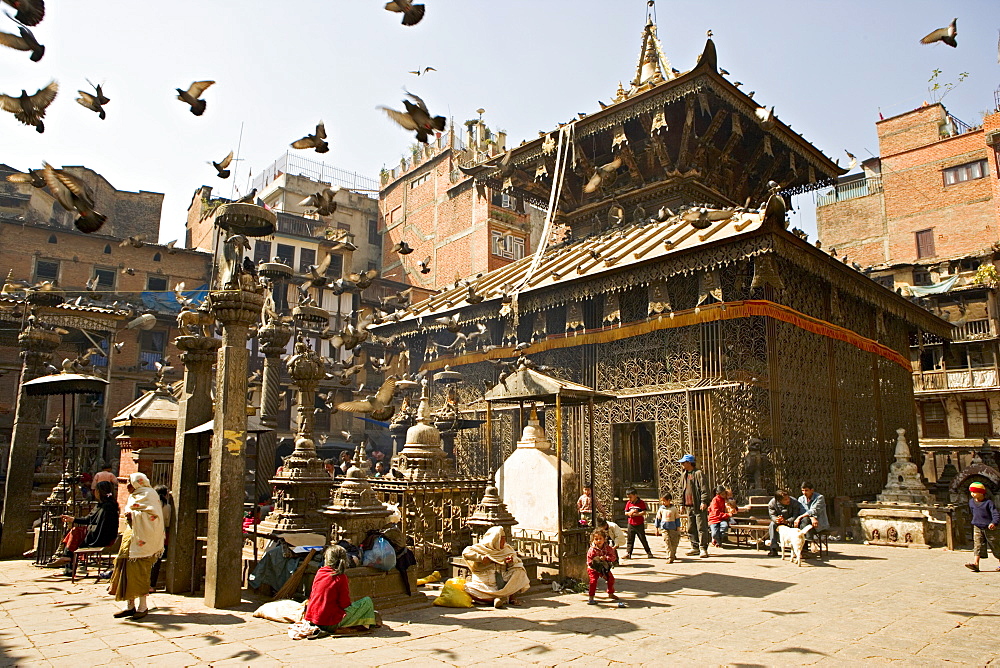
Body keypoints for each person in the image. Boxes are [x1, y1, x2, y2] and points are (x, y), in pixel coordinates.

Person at [108, 473, 164, 620]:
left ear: (138, 482)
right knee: (125, 569)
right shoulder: (134, 495)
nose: (127, 485)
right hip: (130, 536)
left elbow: (154, 516)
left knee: (140, 573)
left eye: (129, 482)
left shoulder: (149, 494)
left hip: (143, 539)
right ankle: (129, 605)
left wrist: (134, 515)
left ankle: (143, 606)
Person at [304, 545, 379, 635]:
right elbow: (345, 604)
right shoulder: (341, 577)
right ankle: (365, 625)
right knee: (367, 601)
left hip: (313, 619)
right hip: (329, 623)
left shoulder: (320, 572)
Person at [52, 480, 119, 573]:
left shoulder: (108, 507)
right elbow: (89, 519)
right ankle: (68, 562)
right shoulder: (100, 505)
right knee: (73, 532)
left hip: (101, 536)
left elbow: (103, 528)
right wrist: (72, 519)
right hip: (94, 532)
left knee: (75, 532)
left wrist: (89, 530)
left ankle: (67, 558)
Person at [461, 526, 530, 608]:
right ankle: (496, 599)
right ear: (494, 539)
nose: (504, 541)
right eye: (501, 539)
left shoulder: (506, 548)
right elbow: (465, 553)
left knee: (519, 570)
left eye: (504, 538)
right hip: (484, 583)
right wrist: (480, 558)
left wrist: (510, 562)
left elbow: (515, 559)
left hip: (501, 579)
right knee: (467, 589)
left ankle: (509, 596)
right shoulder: (480, 548)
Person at [679, 454, 710, 558]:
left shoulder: (698, 473)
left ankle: (703, 548)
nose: (682, 464)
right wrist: (681, 503)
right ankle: (694, 546)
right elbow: (681, 490)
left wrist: (704, 501)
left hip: (698, 504)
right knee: (691, 527)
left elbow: (704, 488)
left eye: (684, 462)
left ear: (689, 463)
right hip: (688, 505)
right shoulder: (684, 475)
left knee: (701, 526)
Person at [966, 482, 1000, 573]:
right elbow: (973, 513)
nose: (972, 494)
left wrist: (994, 523)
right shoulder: (971, 502)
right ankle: (976, 564)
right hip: (977, 526)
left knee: (995, 545)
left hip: (989, 528)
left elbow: (995, 514)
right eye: (971, 492)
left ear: (981, 493)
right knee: (978, 545)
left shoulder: (988, 503)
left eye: (975, 492)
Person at [148, 485, 173, 592]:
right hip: (160, 534)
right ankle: (151, 585)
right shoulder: (166, 507)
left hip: (148, 533)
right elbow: (167, 522)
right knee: (156, 560)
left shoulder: (149, 505)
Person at [767, 489, 804, 557]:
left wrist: (787, 521)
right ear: (779, 500)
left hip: (791, 522)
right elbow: (772, 515)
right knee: (772, 525)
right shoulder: (772, 503)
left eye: (788, 498)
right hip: (780, 522)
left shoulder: (794, 502)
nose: (788, 500)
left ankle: (802, 549)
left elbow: (796, 515)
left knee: (801, 523)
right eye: (785, 499)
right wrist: (777, 519)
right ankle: (773, 548)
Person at [586, 529, 619, 605]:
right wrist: (596, 560)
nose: (598, 541)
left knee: (611, 579)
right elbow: (589, 561)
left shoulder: (607, 548)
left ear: (604, 539)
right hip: (593, 569)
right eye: (596, 539)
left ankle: (611, 593)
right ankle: (591, 597)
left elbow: (613, 557)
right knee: (593, 581)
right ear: (593, 540)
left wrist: (606, 558)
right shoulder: (592, 550)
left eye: (600, 539)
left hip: (604, 568)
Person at [623, 488, 654, 559]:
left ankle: (648, 552)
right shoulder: (628, 503)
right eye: (628, 497)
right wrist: (629, 513)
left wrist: (637, 514)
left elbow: (644, 512)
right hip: (631, 523)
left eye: (631, 497)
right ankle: (628, 553)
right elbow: (625, 512)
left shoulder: (641, 502)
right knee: (630, 539)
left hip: (639, 523)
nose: (630, 499)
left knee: (642, 538)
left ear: (635, 495)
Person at [655, 492, 681, 563]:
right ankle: (670, 556)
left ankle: (673, 554)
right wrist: (657, 528)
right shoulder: (661, 509)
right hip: (664, 528)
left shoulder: (674, 509)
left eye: (664, 501)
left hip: (673, 528)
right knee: (667, 541)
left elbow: (677, 519)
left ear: (669, 500)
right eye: (662, 501)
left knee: (674, 542)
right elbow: (658, 519)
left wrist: (678, 527)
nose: (663, 503)